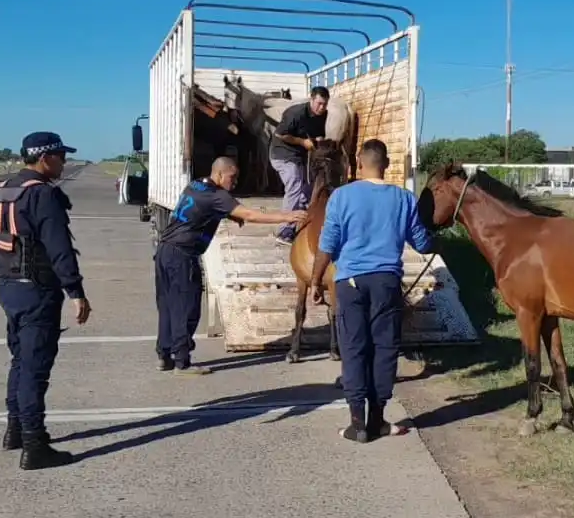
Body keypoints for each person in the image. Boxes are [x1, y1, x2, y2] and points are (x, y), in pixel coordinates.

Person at [311, 138, 435, 443]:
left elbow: (327, 244)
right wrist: (435, 240)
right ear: (388, 164)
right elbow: (422, 242)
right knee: (384, 349)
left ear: (358, 162)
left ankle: (358, 425)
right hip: (386, 282)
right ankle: (378, 420)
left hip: (350, 283)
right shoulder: (404, 199)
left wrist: (315, 281)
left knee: (354, 349)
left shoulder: (341, 196)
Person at [0, 131, 91, 471]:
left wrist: (2, 282)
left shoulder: (0, 192)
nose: (63, 161)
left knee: (19, 360)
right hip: (37, 291)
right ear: (45, 158)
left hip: (10, 289)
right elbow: (59, 249)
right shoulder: (43, 196)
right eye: (60, 155)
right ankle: (34, 444)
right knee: (34, 369)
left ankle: (15, 430)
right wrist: (76, 292)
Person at [155, 157, 308, 375]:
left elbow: (205, 209)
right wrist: (287, 216)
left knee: (168, 306)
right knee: (187, 308)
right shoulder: (217, 195)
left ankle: (164, 354)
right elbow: (250, 214)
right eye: (232, 177)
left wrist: (229, 215)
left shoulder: (196, 185)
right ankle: (182, 362)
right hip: (182, 256)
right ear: (219, 174)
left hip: (164, 251)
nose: (234, 183)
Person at [269, 85, 330, 246]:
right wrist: (303, 142)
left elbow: (318, 135)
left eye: (325, 104)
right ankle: (284, 231)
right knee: (295, 185)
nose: (322, 107)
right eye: (319, 103)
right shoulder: (295, 113)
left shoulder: (323, 114)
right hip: (282, 154)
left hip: (299, 156)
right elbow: (280, 134)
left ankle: (301, 224)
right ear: (311, 100)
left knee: (307, 191)